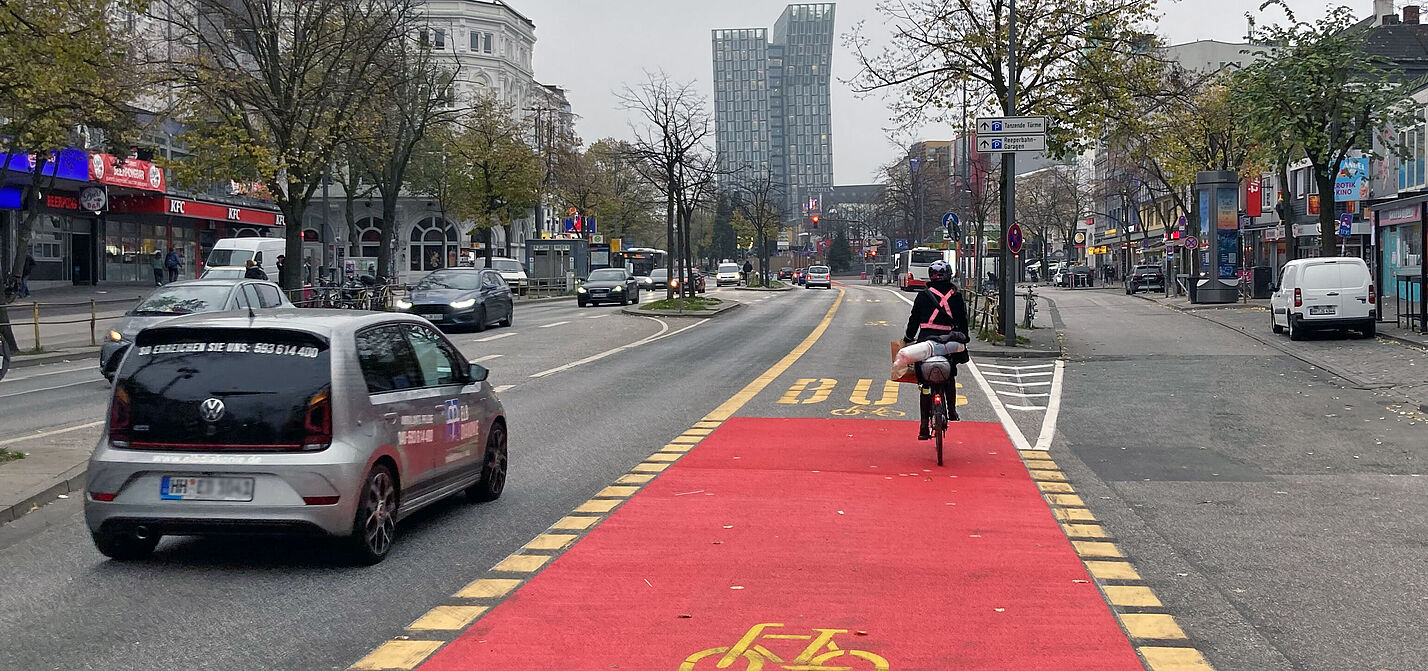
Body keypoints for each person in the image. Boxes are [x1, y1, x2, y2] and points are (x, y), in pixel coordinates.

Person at [904, 260, 970, 441]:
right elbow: (963, 320)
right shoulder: (955, 295)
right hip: (948, 342)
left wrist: (909, 338)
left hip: (926, 341)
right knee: (950, 375)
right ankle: (953, 411)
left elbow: (914, 319)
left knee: (925, 383)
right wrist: (964, 337)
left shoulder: (924, 295)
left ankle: (924, 425)